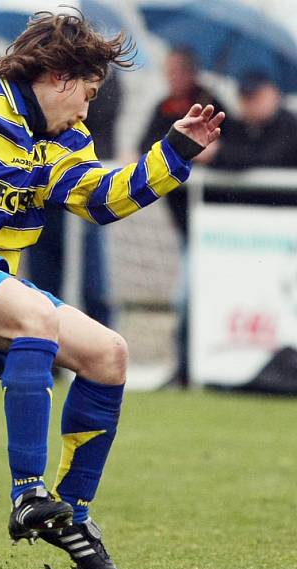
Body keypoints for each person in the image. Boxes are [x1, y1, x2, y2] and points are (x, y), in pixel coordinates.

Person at [0, 12, 223, 569]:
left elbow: (103, 200)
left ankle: (73, 514)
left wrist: (174, 152)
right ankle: (28, 492)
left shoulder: (65, 140)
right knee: (36, 316)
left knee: (110, 354)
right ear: (58, 76)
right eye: (85, 93)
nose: (86, 110)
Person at [138, 48, 226, 387]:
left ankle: (190, 369)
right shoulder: (164, 109)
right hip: (183, 223)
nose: (172, 79)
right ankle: (185, 369)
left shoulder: (212, 105)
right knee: (186, 296)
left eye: (178, 72)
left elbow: (231, 149)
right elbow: (146, 145)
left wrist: (212, 155)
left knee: (188, 297)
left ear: (191, 72)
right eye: (168, 72)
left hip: (212, 227)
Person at [25, 71, 122, 328]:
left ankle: (96, 338)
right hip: (44, 196)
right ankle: (44, 343)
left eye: (91, 96)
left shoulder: (107, 80)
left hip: (83, 187)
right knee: (42, 277)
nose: (83, 113)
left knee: (91, 277)